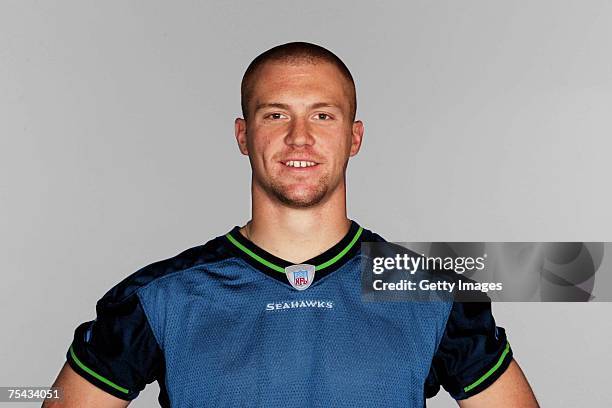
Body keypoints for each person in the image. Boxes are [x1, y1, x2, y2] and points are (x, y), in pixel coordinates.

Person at [44, 42, 538, 407]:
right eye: (276, 114)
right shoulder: (159, 297)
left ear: (354, 137)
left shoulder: (431, 294)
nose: (299, 138)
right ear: (243, 135)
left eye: (322, 116)